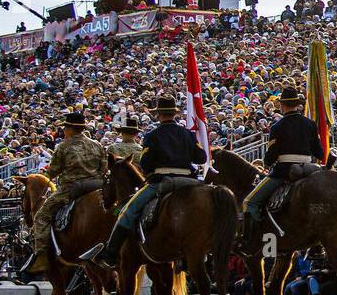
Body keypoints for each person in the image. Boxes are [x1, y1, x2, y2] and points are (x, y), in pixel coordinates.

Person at [85, 97, 208, 268]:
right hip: (190, 182)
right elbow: (201, 157)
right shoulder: (187, 134)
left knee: (128, 211)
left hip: (163, 181)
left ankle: (111, 255)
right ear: (174, 114)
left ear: (158, 115)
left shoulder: (152, 135)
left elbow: (146, 164)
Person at [21, 111, 107, 275]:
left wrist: (47, 175)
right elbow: (104, 169)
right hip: (96, 186)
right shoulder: (97, 145)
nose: (63, 131)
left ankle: (42, 256)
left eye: (65, 128)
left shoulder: (63, 146)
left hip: (71, 188)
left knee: (41, 216)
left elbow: (53, 171)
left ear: (70, 129)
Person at [239, 87, 323, 254]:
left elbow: (270, 158)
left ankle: (250, 243)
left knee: (250, 203)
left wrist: (269, 162)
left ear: (282, 105)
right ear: (298, 105)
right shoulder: (311, 124)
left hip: (284, 171)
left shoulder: (278, 126)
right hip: (309, 169)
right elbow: (319, 153)